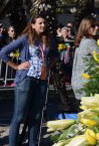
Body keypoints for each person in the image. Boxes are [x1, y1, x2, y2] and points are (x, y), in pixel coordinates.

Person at [0, 15, 57, 146]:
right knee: (19, 116)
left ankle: (33, 143)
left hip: (41, 81)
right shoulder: (25, 38)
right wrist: (17, 66)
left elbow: (55, 55)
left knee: (36, 117)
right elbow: (3, 52)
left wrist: (47, 66)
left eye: (44, 23)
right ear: (33, 25)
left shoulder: (49, 39)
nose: (43, 25)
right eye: (40, 23)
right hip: (26, 80)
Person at [71, 16, 98, 100]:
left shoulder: (81, 41)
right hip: (88, 84)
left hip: (77, 83)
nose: (96, 28)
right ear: (86, 28)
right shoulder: (90, 42)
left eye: (97, 25)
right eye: (93, 26)